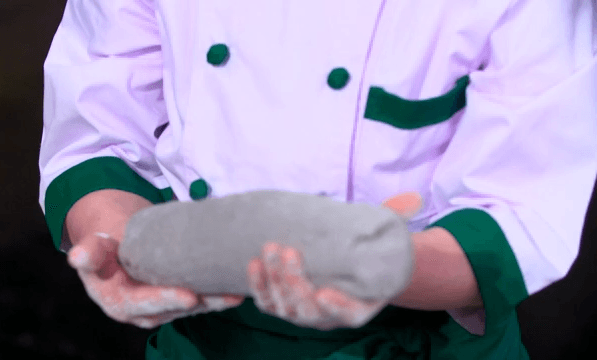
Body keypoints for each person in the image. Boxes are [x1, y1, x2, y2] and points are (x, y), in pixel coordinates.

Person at [38, 1, 597, 359]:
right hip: (203, 342)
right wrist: (118, 241)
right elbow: (99, 123)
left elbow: (519, 211)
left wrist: (381, 266)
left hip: (425, 345)